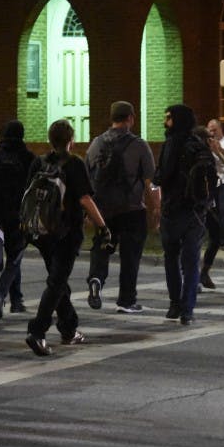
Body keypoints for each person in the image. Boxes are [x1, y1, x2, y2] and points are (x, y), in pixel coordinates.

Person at [25, 119, 110, 356]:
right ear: (71, 140)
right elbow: (85, 199)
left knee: (58, 279)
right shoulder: (74, 164)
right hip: (66, 232)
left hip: (41, 232)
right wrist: (102, 226)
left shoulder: (39, 162)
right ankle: (37, 331)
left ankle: (68, 328)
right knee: (56, 282)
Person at [85, 101, 159, 314]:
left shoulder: (96, 144)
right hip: (131, 209)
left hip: (102, 210)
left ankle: (96, 279)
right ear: (131, 118)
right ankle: (126, 300)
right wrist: (155, 209)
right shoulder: (139, 145)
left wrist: (88, 212)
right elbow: (150, 183)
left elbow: (87, 179)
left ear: (112, 118)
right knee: (130, 255)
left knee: (102, 247)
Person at [152, 106, 212, 325]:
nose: (165, 123)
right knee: (191, 262)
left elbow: (160, 177)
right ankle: (188, 309)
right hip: (195, 212)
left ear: (176, 120)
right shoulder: (199, 145)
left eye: (168, 118)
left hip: (172, 211)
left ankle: (174, 304)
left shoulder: (170, 145)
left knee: (171, 259)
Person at [0, 119, 35, 319]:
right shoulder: (27, 157)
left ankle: (17, 300)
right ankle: (1, 294)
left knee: (11, 256)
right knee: (15, 256)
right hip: (17, 214)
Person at [199, 118, 224, 290]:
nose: (212, 133)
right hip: (208, 188)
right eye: (209, 130)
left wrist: (219, 149)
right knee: (212, 218)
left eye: (214, 129)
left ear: (220, 129)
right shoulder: (202, 150)